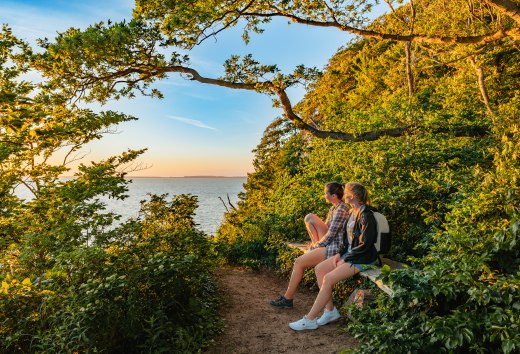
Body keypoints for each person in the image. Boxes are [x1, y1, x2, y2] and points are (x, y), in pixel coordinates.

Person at [288, 182, 379, 330]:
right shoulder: (351, 212)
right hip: (349, 255)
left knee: (328, 278)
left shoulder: (366, 215)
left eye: (347, 192)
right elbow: (346, 240)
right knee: (319, 269)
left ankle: (310, 319)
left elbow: (366, 244)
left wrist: (345, 258)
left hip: (363, 258)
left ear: (353, 196)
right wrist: (339, 254)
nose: (344, 193)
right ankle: (330, 311)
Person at [270, 182, 349, 309]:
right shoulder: (334, 208)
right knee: (309, 218)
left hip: (333, 248)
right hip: (328, 245)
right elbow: (327, 227)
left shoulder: (341, 210)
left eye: (326, 193)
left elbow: (331, 234)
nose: (324, 196)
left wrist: (318, 244)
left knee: (298, 262)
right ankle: (288, 298)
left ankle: (288, 299)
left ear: (334, 195)